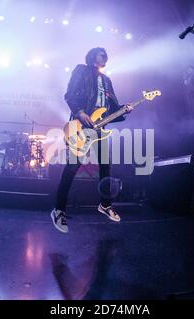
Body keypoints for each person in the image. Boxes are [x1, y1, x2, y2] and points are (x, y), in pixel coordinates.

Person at [50, 47, 133, 233]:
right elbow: (69, 94)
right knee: (72, 167)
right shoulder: (82, 70)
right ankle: (59, 210)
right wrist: (79, 112)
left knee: (106, 166)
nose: (104, 56)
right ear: (92, 56)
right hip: (81, 126)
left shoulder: (107, 80)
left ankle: (105, 204)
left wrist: (123, 111)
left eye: (106, 54)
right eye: (100, 53)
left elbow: (112, 111)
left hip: (100, 128)